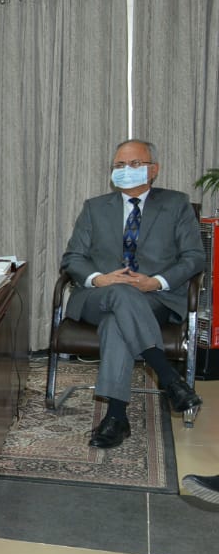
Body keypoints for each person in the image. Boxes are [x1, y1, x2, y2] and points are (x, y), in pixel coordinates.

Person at [60, 139, 205, 449]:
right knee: (120, 295)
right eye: (119, 165)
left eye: (135, 164)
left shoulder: (176, 204)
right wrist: (100, 279)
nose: (126, 170)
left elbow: (194, 257)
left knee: (118, 320)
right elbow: (73, 258)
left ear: (154, 169)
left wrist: (156, 282)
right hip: (97, 297)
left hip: (154, 298)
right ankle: (169, 378)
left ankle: (116, 417)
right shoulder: (94, 208)